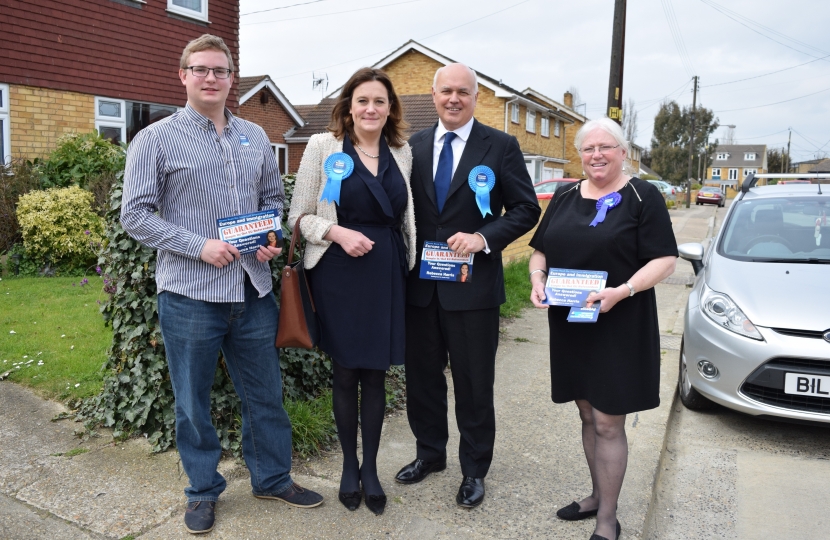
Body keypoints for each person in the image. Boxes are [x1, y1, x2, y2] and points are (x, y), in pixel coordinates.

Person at [121, 34, 323, 535]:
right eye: (201, 69)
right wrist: (199, 246)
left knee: (265, 394)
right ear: (183, 75)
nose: (210, 78)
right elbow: (135, 215)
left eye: (220, 70)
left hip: (252, 290)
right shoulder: (155, 139)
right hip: (190, 294)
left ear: (232, 79)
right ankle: (202, 491)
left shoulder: (254, 136)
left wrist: (269, 239)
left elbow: (272, 199)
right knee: (192, 402)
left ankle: (272, 478)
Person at [395, 63, 540, 508]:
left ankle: (474, 470)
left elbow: (526, 209)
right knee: (422, 380)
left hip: (473, 291)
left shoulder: (501, 146)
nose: (454, 99)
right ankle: (430, 454)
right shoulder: (412, 146)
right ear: (433, 95)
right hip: (421, 289)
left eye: (463, 92)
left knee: (474, 385)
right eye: (446, 91)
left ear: (476, 97)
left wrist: (483, 238)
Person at [528, 117, 677, 540]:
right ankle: (597, 494)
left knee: (609, 421)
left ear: (623, 152)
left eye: (606, 147)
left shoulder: (642, 196)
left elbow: (665, 260)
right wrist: (538, 279)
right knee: (587, 413)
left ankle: (608, 519)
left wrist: (623, 290)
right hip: (573, 323)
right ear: (580, 154)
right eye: (589, 148)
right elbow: (540, 251)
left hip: (620, 323)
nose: (597, 155)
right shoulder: (564, 196)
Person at [288, 67, 415, 516]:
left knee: (375, 373)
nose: (371, 109)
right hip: (339, 271)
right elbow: (297, 216)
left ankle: (371, 469)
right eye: (363, 100)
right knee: (345, 373)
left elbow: (406, 217)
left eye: (379, 101)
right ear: (348, 106)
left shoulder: (402, 151)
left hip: (385, 272)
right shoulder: (323, 147)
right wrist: (336, 233)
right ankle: (347, 465)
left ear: (390, 108)